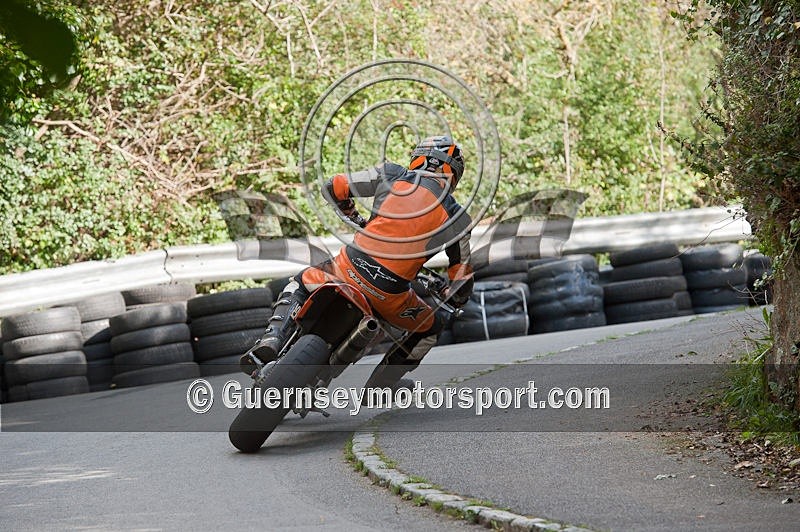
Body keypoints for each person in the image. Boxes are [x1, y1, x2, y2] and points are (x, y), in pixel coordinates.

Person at [242, 135, 474, 389]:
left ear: (419, 159)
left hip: (347, 269)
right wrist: (453, 296)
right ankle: (382, 385)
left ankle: (272, 339)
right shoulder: (459, 218)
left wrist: (351, 213)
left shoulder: (392, 173)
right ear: (452, 172)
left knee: (300, 282)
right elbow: (462, 280)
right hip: (390, 297)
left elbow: (334, 186)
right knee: (430, 329)